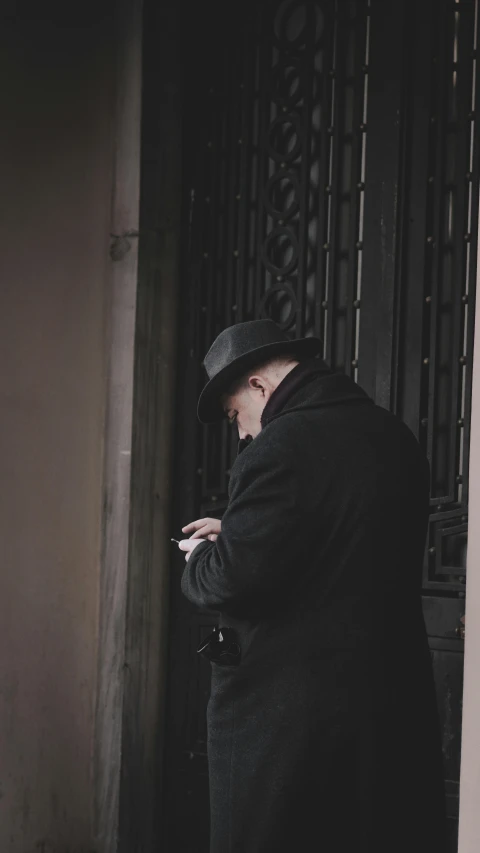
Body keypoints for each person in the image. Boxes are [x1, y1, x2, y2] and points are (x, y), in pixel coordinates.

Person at [177, 319, 447, 853]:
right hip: (388, 709)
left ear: (258, 385)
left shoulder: (279, 446)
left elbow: (225, 584)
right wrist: (240, 530)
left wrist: (205, 551)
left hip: (287, 725)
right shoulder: (392, 436)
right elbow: (340, 540)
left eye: (235, 415)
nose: (241, 433)